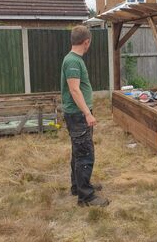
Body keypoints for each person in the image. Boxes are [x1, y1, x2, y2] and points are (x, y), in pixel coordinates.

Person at [60, 25, 109, 207]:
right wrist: (87, 113)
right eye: (89, 43)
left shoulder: (73, 59)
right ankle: (86, 197)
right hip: (79, 115)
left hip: (77, 114)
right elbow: (74, 89)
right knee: (85, 154)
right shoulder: (73, 61)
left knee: (78, 152)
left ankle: (78, 186)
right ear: (86, 42)